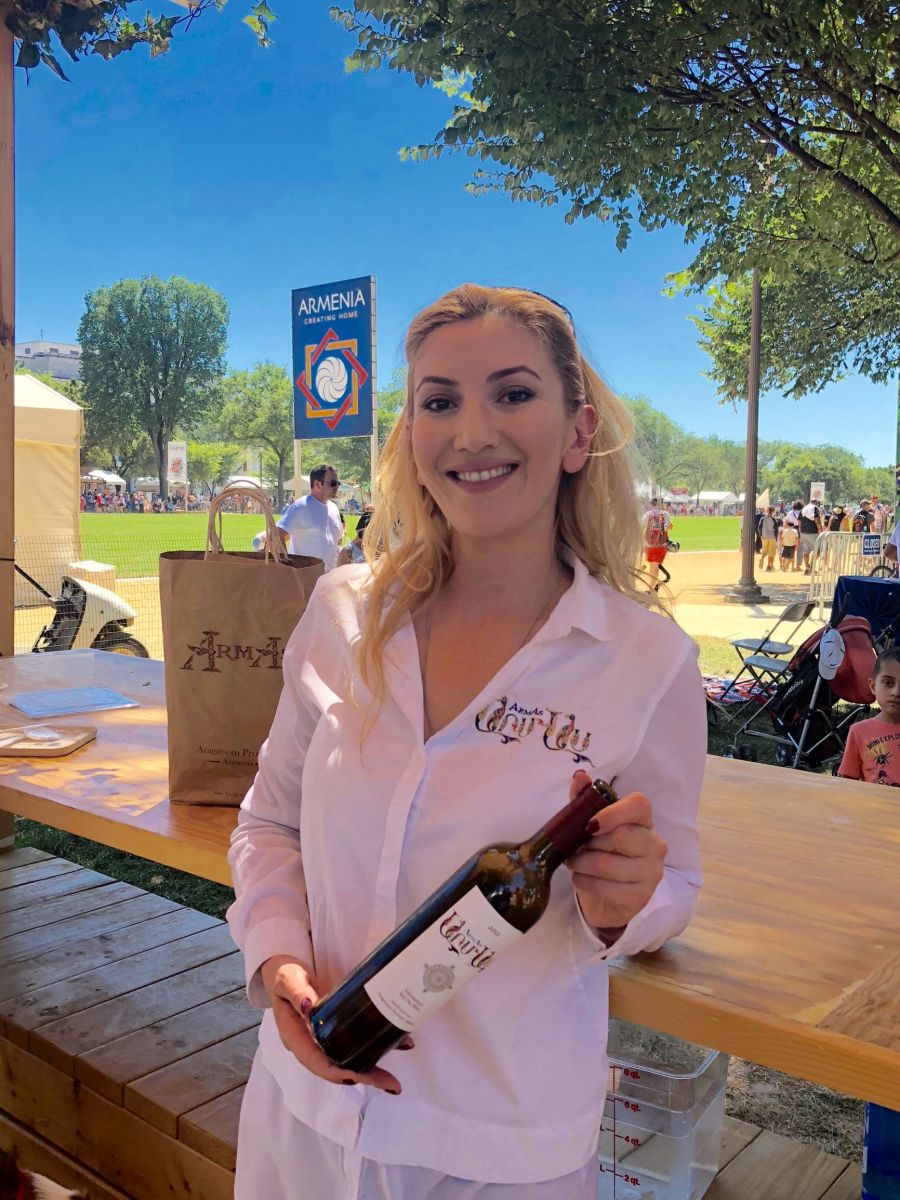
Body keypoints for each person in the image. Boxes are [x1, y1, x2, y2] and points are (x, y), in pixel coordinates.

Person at [226, 284, 705, 1200]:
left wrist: (629, 904)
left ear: (576, 433)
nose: (472, 430)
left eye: (513, 393)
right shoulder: (341, 613)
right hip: (301, 1121)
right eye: (439, 401)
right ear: (411, 435)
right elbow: (268, 822)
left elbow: (674, 882)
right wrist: (277, 956)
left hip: (497, 1153)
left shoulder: (644, 662)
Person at [838, 649, 900, 786]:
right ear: (873, 686)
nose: (896, 692)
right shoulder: (859, 732)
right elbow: (848, 783)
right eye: (888, 683)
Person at [276, 464, 344, 569]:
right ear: (317, 484)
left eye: (338, 483)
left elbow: (337, 541)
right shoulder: (300, 506)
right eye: (333, 483)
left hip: (329, 578)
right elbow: (276, 535)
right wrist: (287, 566)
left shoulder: (334, 508)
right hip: (306, 578)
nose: (337, 487)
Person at [642, 497, 672, 588]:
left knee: (652, 565)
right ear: (660, 504)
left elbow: (642, 525)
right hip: (661, 545)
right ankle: (651, 588)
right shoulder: (665, 514)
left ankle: (650, 582)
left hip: (649, 544)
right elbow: (670, 526)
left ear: (652, 504)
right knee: (656, 566)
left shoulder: (648, 514)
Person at [798, 499, 823, 574]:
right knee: (818, 550)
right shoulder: (815, 508)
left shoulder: (803, 509)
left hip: (803, 532)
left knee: (806, 551)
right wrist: (821, 532)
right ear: (816, 503)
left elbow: (799, 522)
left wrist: (800, 533)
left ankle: (807, 567)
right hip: (812, 533)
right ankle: (811, 566)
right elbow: (817, 521)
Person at [757, 506, 779, 571]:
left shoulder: (762, 519)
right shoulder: (774, 519)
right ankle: (769, 566)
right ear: (773, 511)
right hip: (772, 537)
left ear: (767, 511)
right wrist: (776, 538)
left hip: (764, 537)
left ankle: (762, 558)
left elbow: (759, 527)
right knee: (771, 552)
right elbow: (776, 530)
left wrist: (760, 535)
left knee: (765, 550)